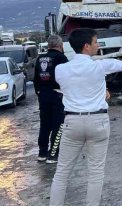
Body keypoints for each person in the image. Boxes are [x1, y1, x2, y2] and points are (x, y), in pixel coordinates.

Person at [49, 28, 122, 206]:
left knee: (61, 173)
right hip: (98, 121)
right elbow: (121, 65)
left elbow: (70, 85)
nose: (98, 45)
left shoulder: (60, 69)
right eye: (96, 42)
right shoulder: (99, 66)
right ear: (86, 46)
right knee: (96, 173)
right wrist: (101, 67)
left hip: (72, 121)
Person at [34, 35, 69, 164]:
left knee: (44, 124)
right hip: (57, 94)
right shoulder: (61, 58)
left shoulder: (40, 58)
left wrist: (39, 92)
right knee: (58, 125)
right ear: (60, 45)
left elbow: (36, 78)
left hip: (43, 95)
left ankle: (42, 153)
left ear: (48, 45)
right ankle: (53, 154)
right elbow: (67, 76)